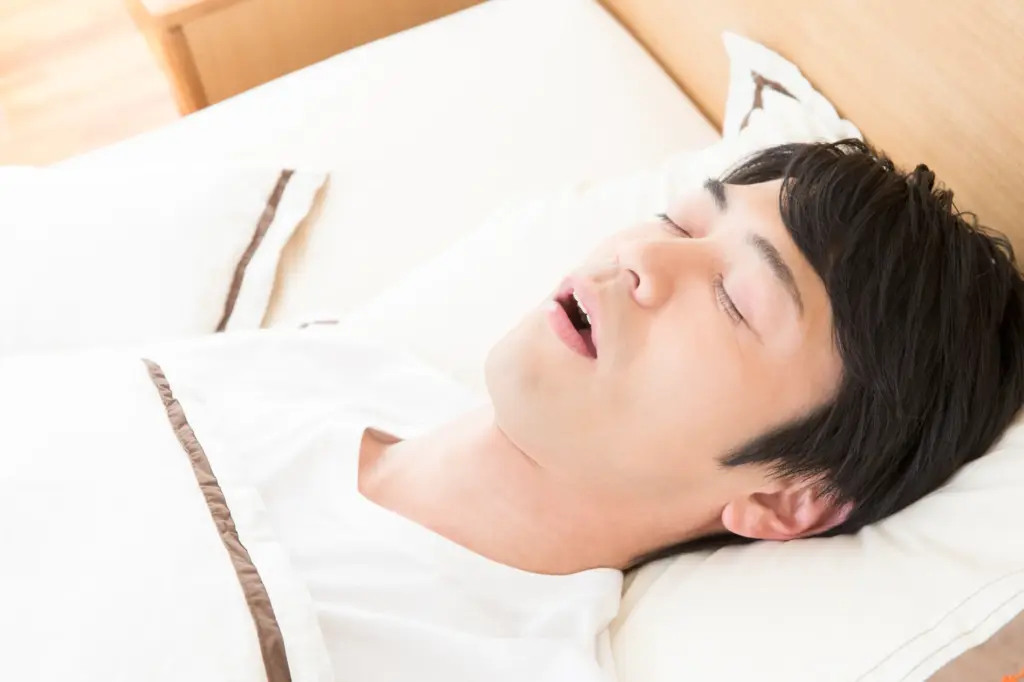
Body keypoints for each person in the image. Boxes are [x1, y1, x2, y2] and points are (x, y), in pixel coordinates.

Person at [61, 138, 1024, 681]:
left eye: (737, 299)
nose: (644, 258)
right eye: (684, 221)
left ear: (788, 499)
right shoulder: (331, 362)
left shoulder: (464, 658)